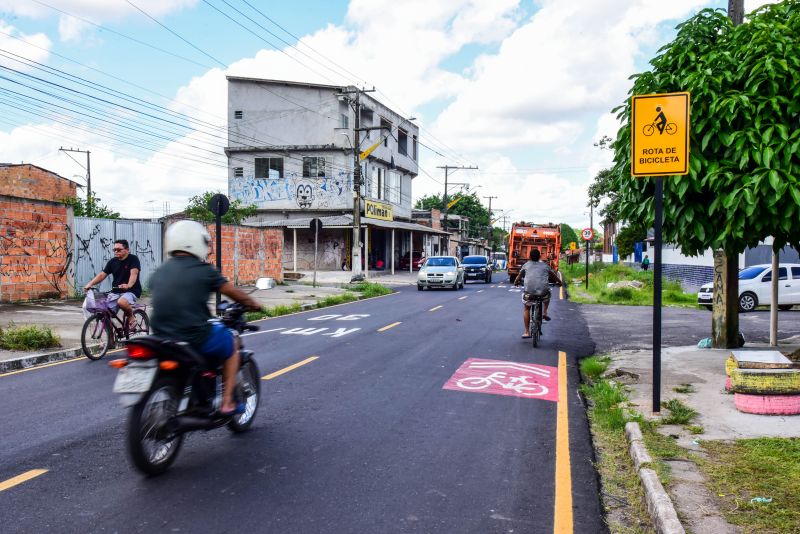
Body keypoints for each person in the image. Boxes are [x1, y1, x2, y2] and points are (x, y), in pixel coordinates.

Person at [149, 220, 261, 416]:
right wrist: (253, 304)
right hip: (193, 335)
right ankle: (227, 403)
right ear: (196, 242)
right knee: (232, 341)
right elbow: (233, 292)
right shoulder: (204, 270)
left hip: (161, 336)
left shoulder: (160, 271)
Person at [83, 239, 141, 329]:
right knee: (104, 312)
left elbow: (134, 274)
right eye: (114, 250)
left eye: (119, 249)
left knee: (121, 302)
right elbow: (102, 275)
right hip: (115, 292)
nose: (116, 252)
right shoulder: (112, 262)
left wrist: (128, 285)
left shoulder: (133, 259)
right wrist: (90, 283)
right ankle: (110, 338)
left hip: (131, 290)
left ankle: (131, 317)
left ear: (127, 250)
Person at [513, 248, 562, 339]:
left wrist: (516, 282)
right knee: (548, 294)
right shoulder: (545, 266)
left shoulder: (526, 265)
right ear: (540, 256)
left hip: (529, 293)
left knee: (527, 308)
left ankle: (527, 332)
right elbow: (554, 276)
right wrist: (560, 282)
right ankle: (544, 312)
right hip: (543, 292)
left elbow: (519, 276)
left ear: (529, 257)